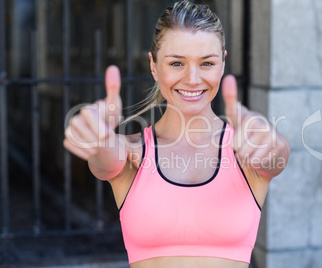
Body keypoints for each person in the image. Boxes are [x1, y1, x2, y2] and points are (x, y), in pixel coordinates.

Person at [63, 1, 290, 267]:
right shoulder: (133, 152)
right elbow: (105, 161)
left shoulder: (248, 149)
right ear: (154, 66)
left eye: (206, 63)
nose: (193, 79)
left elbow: (276, 154)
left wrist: (272, 144)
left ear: (222, 64)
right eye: (176, 63)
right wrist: (98, 139)